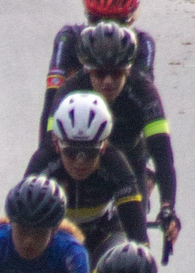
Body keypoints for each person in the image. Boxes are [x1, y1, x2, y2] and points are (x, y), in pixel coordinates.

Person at [51, 21, 178, 247]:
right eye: (99, 74)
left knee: (136, 247)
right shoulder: (70, 89)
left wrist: (168, 206)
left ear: (128, 69)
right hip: (82, 159)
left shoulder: (144, 91)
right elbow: (49, 144)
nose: (108, 81)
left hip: (130, 160)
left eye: (116, 72)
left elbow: (162, 152)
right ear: (87, 70)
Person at [23, 93, 146, 263]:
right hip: (56, 238)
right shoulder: (43, 161)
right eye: (71, 152)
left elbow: (137, 234)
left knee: (117, 271)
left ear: (103, 147)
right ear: (57, 145)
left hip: (104, 235)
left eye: (90, 152)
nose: (80, 162)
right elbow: (21, 221)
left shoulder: (114, 163)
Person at [41, 0, 158, 124]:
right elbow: (51, 102)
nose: (106, 30)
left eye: (118, 22)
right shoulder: (68, 39)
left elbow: (148, 102)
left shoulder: (143, 43)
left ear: (132, 19)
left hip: (126, 134)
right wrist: (45, 147)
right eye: (96, 20)